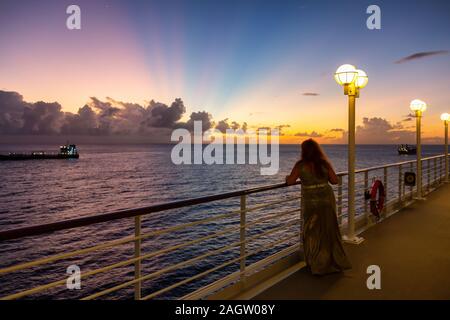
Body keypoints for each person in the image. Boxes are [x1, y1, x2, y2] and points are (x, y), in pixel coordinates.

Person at [286, 139, 351, 275]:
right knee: (329, 230)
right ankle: (334, 262)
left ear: (303, 151)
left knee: (311, 232)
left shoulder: (300, 165)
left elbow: (291, 181)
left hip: (311, 202)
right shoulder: (324, 164)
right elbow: (335, 180)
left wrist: (288, 177)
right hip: (326, 199)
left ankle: (317, 265)